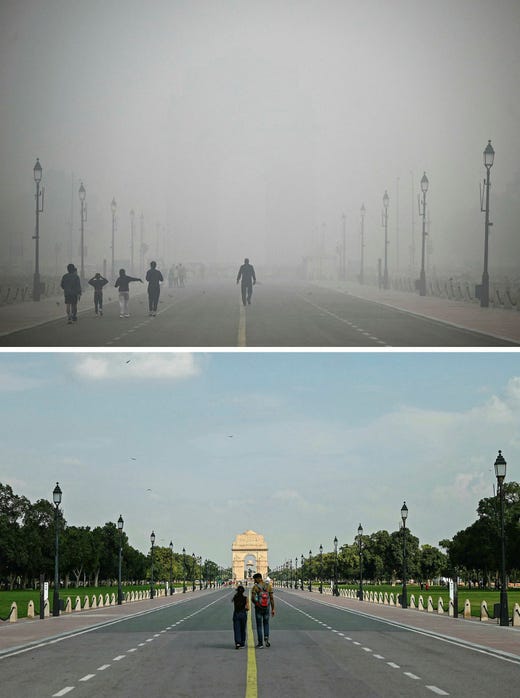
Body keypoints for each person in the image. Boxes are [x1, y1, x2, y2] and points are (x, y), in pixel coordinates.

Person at [251, 572, 275, 648]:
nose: (254, 581)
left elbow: (252, 598)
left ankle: (260, 643)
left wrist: (257, 604)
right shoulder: (268, 586)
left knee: (259, 625)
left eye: (254, 579)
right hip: (267, 607)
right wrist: (273, 609)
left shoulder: (255, 587)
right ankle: (266, 637)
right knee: (266, 623)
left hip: (259, 608)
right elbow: (271, 598)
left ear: (258, 578)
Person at [232, 585, 249, 649]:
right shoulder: (245, 598)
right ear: (243, 592)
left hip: (236, 614)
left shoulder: (235, 597)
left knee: (237, 629)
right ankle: (242, 643)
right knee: (243, 629)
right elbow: (247, 608)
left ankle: (237, 643)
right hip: (243, 614)